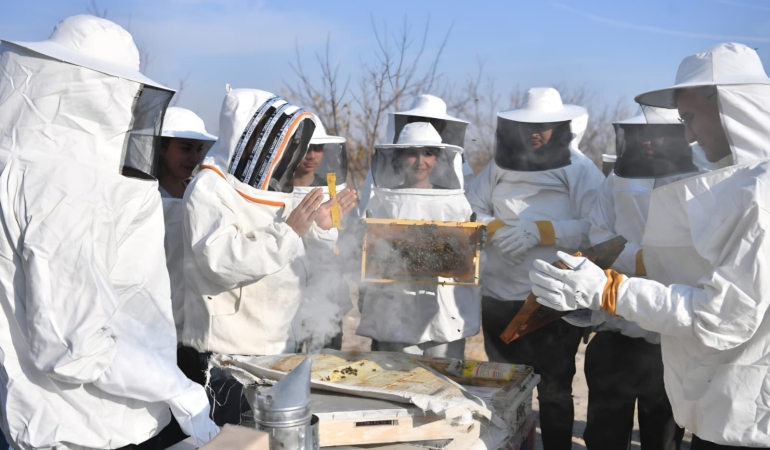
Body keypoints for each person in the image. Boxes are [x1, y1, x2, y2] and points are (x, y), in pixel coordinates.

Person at [529, 43, 770, 449]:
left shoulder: (761, 194)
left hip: (750, 415)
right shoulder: (738, 183)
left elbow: (721, 316)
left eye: (689, 119)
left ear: (730, 105)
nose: (688, 134)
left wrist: (610, 289)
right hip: (724, 398)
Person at [0, 15, 218, 449]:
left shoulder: (28, 164)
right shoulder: (69, 185)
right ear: (102, 88)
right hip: (90, 428)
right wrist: (176, 387)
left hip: (60, 420)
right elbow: (71, 346)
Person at [179, 89, 357, 423]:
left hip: (275, 342)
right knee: (232, 439)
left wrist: (320, 226)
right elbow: (221, 260)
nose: (283, 148)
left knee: (271, 435)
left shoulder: (271, 188)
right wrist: (289, 232)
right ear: (247, 135)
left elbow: (296, 247)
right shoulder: (209, 187)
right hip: (227, 351)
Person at [465, 87, 604, 450]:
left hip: (552, 300)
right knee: (506, 387)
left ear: (560, 128)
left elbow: (598, 226)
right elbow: (471, 208)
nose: (535, 133)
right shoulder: (498, 166)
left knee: (555, 390)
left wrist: (541, 231)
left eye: (543, 126)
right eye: (529, 126)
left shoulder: (580, 168)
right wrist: (497, 230)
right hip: (499, 296)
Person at [580, 107, 698, 450]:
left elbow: (701, 246)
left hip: (670, 328)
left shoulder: (700, 178)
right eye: (640, 134)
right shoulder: (617, 178)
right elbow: (599, 233)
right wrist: (639, 259)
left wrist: (661, 260)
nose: (647, 141)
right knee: (605, 430)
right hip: (617, 322)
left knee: (662, 432)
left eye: (657, 133)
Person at [357, 122, 479, 358]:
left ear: (437, 158)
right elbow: (370, 253)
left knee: (444, 375)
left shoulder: (454, 201)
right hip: (395, 304)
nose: (420, 161)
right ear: (399, 157)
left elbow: (467, 255)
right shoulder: (383, 200)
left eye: (428, 153)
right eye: (412, 153)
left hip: (443, 307)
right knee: (397, 376)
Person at [292, 114, 352, 351]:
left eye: (317, 148)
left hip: (327, 289)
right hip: (288, 289)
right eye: (306, 148)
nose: (311, 155)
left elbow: (348, 237)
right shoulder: (277, 188)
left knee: (327, 360)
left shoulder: (333, 188)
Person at [359, 94, 469, 215]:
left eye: (428, 153)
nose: (420, 161)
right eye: (420, 119)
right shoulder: (382, 188)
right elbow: (367, 215)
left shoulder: (455, 194)